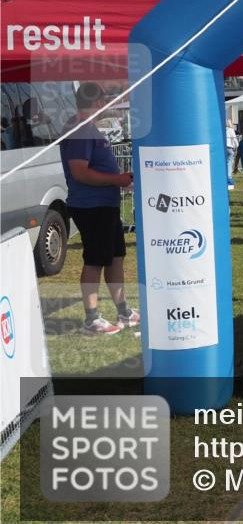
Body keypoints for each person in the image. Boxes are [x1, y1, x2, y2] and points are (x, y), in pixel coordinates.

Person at [59, 83, 138, 335]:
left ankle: (123, 311)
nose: (105, 106)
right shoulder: (81, 129)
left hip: (104, 203)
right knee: (94, 260)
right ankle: (91, 320)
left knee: (115, 258)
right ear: (96, 102)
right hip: (91, 206)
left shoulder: (86, 128)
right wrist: (117, 179)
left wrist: (117, 182)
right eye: (103, 101)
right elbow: (79, 172)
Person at [224, 119, 239, 190]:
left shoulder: (222, 129)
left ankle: (225, 177)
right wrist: (237, 145)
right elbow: (234, 139)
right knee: (229, 162)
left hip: (223, 147)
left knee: (225, 162)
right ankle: (229, 178)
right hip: (230, 147)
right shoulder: (230, 130)